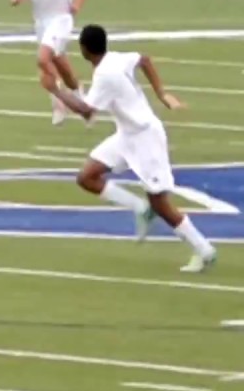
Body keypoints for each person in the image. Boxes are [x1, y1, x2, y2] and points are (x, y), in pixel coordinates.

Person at [45, 24, 216, 273]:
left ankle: (204, 250)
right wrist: (161, 93)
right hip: (126, 136)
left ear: (84, 49)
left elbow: (86, 111)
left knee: (160, 203)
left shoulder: (104, 75)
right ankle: (140, 208)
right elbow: (144, 60)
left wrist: (55, 90)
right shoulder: (115, 59)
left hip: (146, 139)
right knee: (87, 177)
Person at [10, 0, 90, 125]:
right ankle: (78, 92)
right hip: (41, 23)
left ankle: (59, 102)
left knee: (43, 58)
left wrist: (77, 4)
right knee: (59, 64)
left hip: (61, 19)